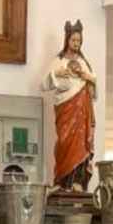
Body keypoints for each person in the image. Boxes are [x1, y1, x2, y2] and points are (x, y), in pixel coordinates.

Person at [41, 20, 96, 192]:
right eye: (73, 40)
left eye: (79, 41)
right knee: (64, 141)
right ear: (67, 40)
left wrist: (88, 77)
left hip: (82, 110)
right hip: (65, 109)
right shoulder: (58, 60)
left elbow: (94, 88)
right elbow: (43, 84)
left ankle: (78, 181)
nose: (76, 44)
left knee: (81, 143)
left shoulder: (84, 62)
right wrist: (56, 73)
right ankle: (62, 180)